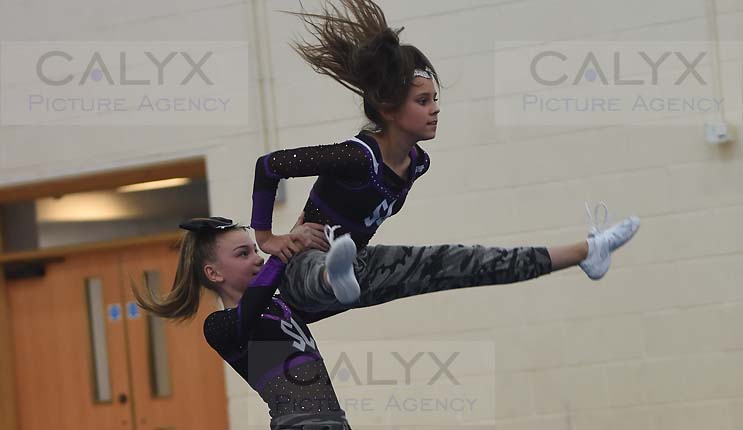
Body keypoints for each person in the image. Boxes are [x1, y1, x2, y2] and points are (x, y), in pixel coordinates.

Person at [251, 0, 641, 313]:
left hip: (360, 268)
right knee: (320, 267)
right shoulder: (356, 157)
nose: (435, 109)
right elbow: (269, 166)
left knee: (462, 261)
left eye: (435, 99)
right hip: (300, 276)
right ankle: (331, 276)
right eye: (423, 101)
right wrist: (267, 236)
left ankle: (589, 251)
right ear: (388, 109)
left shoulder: (417, 163)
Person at [134, 216, 354, 429]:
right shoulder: (220, 327)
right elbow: (252, 306)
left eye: (256, 250)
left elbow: (347, 295)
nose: (258, 258)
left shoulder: (282, 305)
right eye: (243, 254)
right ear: (213, 273)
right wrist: (284, 249)